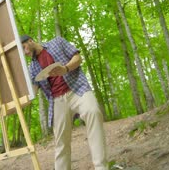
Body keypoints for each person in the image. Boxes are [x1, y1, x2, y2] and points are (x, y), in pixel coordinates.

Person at [20, 35, 107, 170]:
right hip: (57, 100)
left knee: (93, 112)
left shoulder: (57, 42)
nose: (25, 53)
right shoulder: (32, 68)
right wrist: (15, 104)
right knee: (61, 141)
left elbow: (78, 58)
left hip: (78, 88)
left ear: (30, 41)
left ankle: (101, 167)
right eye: (22, 52)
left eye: (24, 48)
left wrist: (65, 69)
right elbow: (32, 93)